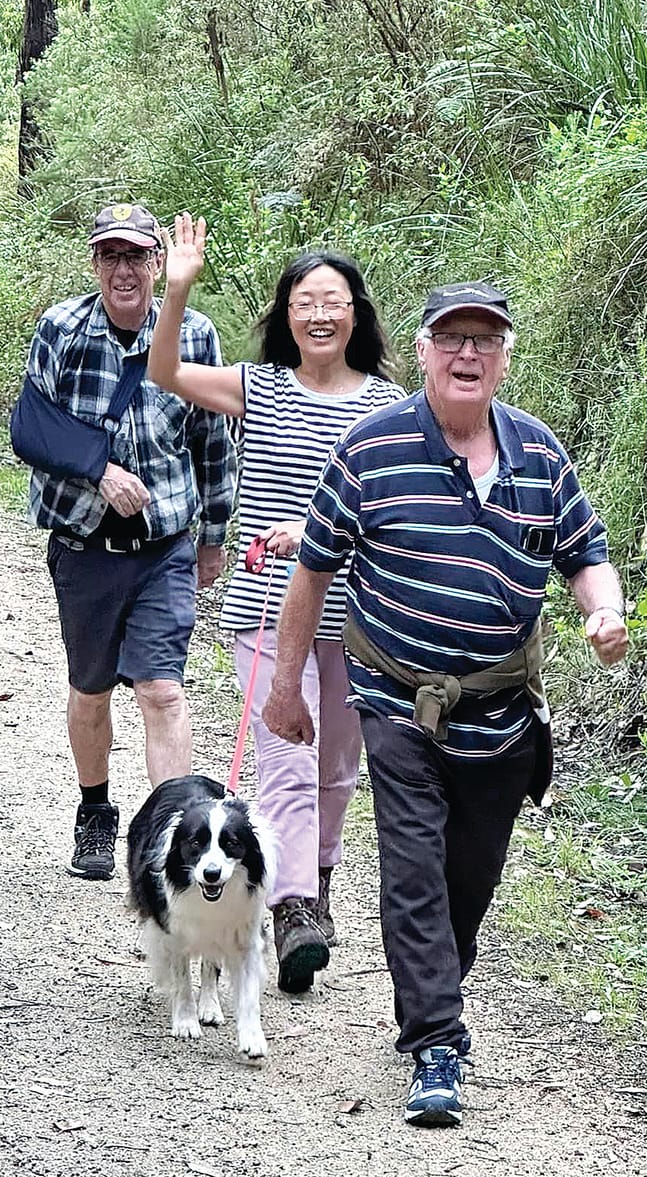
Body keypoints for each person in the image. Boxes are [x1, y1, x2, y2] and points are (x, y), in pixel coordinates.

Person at [261, 280, 628, 1125]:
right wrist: (286, 687)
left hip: (500, 715)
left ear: (504, 356)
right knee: (415, 870)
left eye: (485, 340)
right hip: (395, 701)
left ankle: (430, 992)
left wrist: (603, 609)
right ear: (422, 351)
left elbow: (586, 554)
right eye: (452, 339)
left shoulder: (540, 456)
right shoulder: (371, 448)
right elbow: (313, 570)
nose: (469, 354)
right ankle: (437, 1042)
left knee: (470, 878)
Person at [149, 213, 404, 993]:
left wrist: (325, 534)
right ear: (285, 316)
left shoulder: (393, 407)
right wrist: (179, 288)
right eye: (303, 301)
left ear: (355, 313)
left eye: (333, 300)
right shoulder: (259, 388)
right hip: (268, 607)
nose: (319, 313)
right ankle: (291, 905)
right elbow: (165, 372)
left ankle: (314, 885)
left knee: (336, 770)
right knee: (286, 756)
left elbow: (399, 507)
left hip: (361, 617)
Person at [19, 202, 236, 881]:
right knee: (89, 691)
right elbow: (32, 429)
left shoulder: (194, 336)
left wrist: (213, 536)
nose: (124, 269)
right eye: (110, 255)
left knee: (162, 691)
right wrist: (100, 470)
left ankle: (175, 835)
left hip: (164, 544)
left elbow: (212, 442)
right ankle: (94, 809)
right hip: (83, 545)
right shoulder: (61, 329)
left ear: (156, 264)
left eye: (137, 256)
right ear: (95, 263)